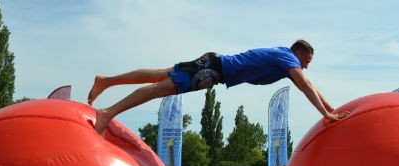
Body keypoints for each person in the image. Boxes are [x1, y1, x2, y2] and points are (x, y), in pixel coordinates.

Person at [88, 39, 349, 134]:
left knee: (160, 75)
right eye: (306, 61)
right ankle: (107, 112)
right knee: (160, 88)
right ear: (298, 53)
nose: (305, 67)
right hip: (214, 70)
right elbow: (305, 84)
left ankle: (106, 81)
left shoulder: (284, 59)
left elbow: (310, 85)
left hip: (214, 65)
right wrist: (325, 114)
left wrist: (332, 109)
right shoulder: (288, 58)